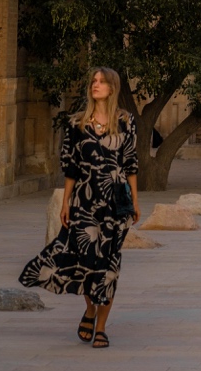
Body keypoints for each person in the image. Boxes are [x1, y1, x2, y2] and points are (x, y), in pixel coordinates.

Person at [19, 66, 139, 349]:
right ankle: (89, 308)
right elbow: (70, 167)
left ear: (112, 87)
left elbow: (131, 163)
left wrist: (135, 201)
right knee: (86, 262)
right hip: (85, 202)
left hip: (115, 204)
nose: (95, 85)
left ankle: (101, 326)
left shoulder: (126, 121)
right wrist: (66, 202)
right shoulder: (76, 124)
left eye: (101, 82)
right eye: (93, 82)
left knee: (109, 266)